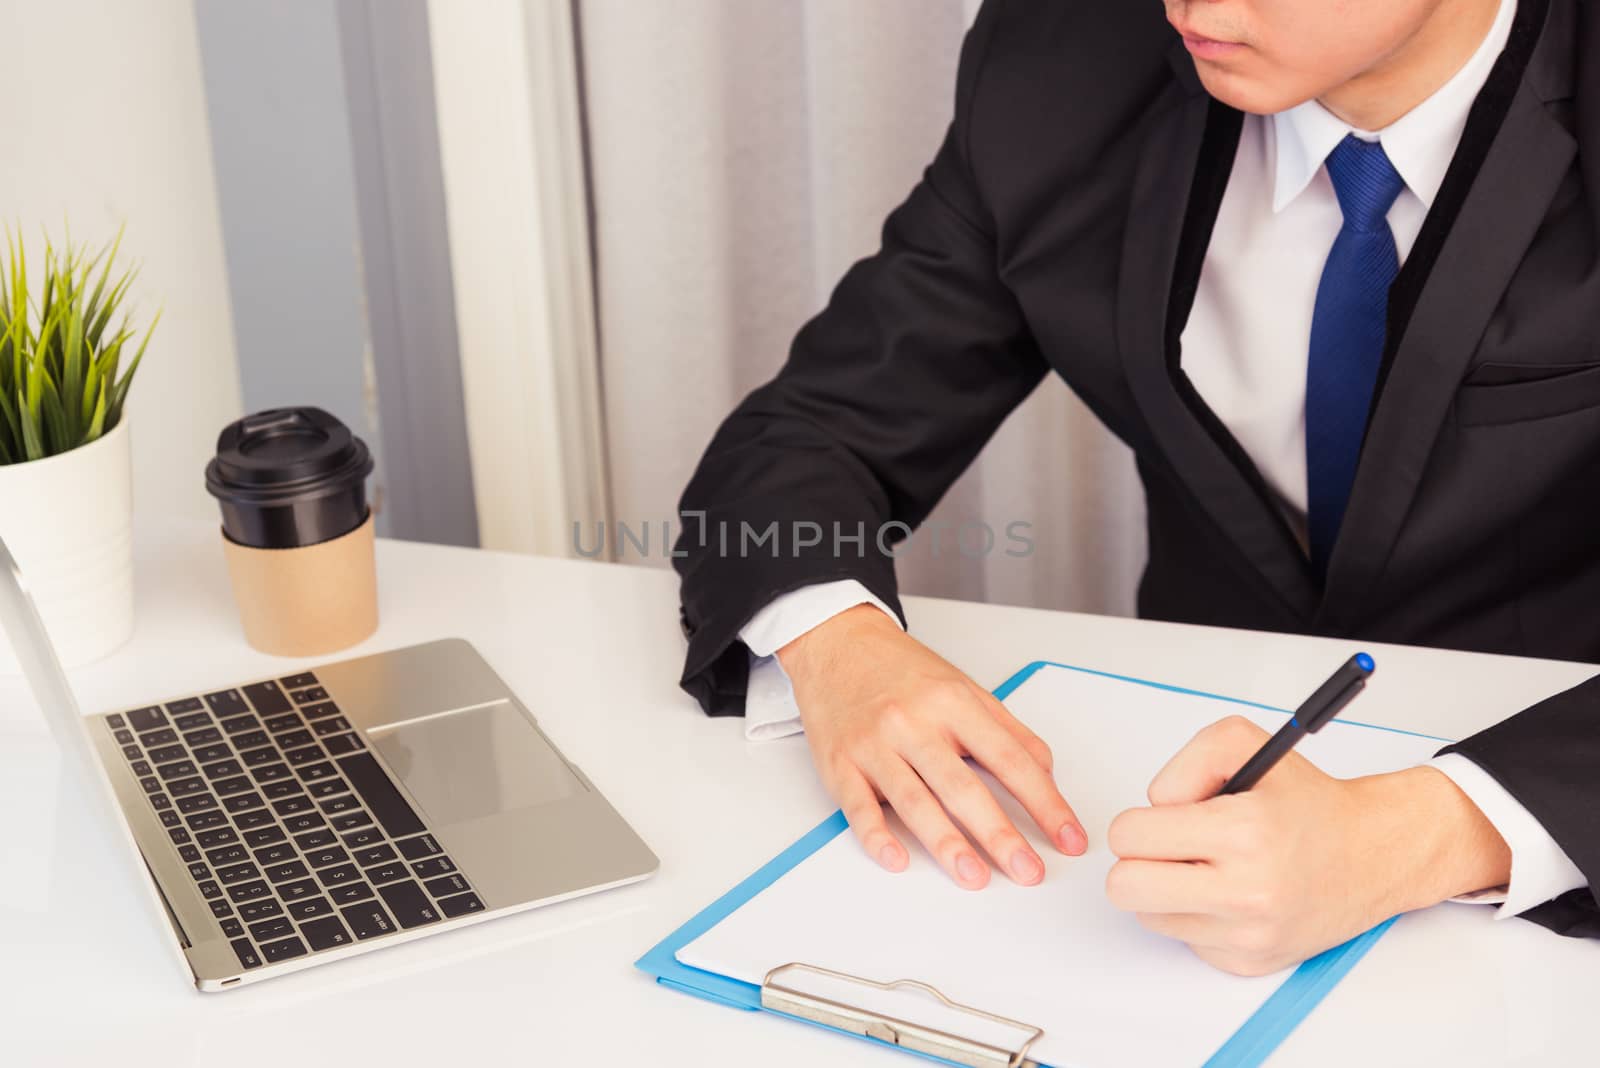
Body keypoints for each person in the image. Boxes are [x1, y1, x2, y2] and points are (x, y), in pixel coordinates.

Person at [672, 0, 1600, 974]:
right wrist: (839, 646)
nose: (1193, 8)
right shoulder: (1065, 57)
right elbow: (813, 430)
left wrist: (1428, 832)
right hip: (1163, 810)